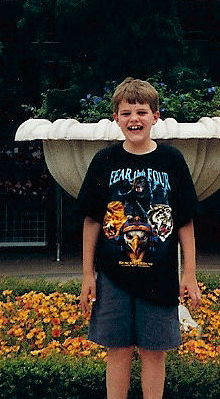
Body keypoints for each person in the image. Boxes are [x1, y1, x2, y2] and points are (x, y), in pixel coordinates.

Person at [78, 78, 201, 399]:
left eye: (142, 111)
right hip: (112, 279)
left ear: (155, 116)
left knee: (153, 352)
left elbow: (184, 221)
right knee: (116, 351)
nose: (135, 118)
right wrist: (87, 275)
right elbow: (92, 221)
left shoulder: (171, 160)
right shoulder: (105, 161)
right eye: (127, 112)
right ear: (116, 118)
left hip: (159, 279)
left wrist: (189, 273)